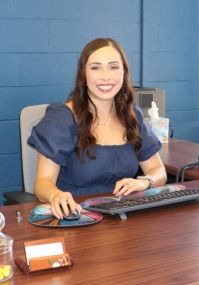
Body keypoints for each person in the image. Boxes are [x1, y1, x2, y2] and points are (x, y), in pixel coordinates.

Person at [28, 38, 167, 219]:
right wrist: (55, 195)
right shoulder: (62, 118)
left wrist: (145, 182)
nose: (106, 76)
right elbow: (42, 184)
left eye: (113, 67)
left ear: (124, 72)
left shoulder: (132, 115)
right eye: (95, 67)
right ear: (83, 75)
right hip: (76, 217)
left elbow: (159, 171)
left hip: (123, 217)